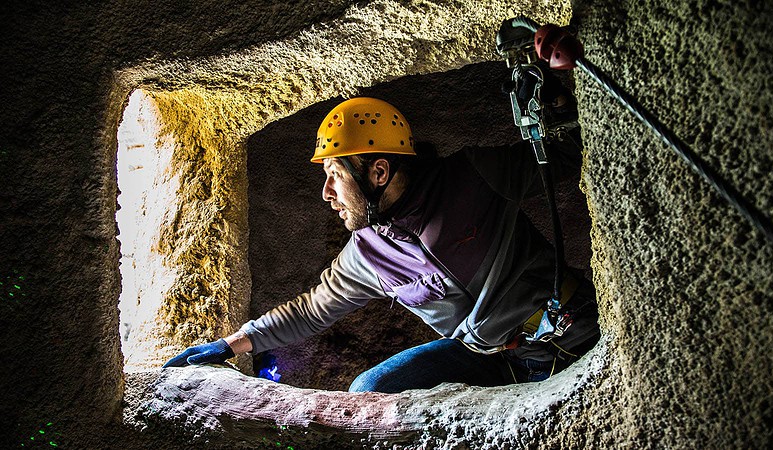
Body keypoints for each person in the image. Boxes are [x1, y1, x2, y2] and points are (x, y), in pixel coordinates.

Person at [164, 96, 600, 393]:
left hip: (567, 330)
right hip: (488, 356)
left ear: (378, 172)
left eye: (334, 173)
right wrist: (231, 344)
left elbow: (565, 156)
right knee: (370, 391)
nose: (326, 193)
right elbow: (310, 310)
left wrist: (557, 101)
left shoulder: (473, 177)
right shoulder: (366, 254)